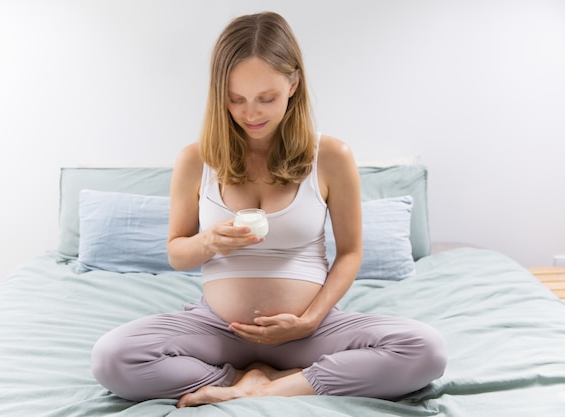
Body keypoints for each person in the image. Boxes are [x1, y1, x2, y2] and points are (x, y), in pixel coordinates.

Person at [91, 11, 447, 408]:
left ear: (293, 83)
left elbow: (350, 253)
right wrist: (209, 242)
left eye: (267, 98)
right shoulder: (196, 160)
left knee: (426, 349)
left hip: (308, 332)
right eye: (236, 99)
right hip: (218, 330)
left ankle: (272, 385)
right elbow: (177, 251)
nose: (251, 114)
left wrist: (310, 320)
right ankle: (243, 378)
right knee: (112, 358)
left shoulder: (330, 157)